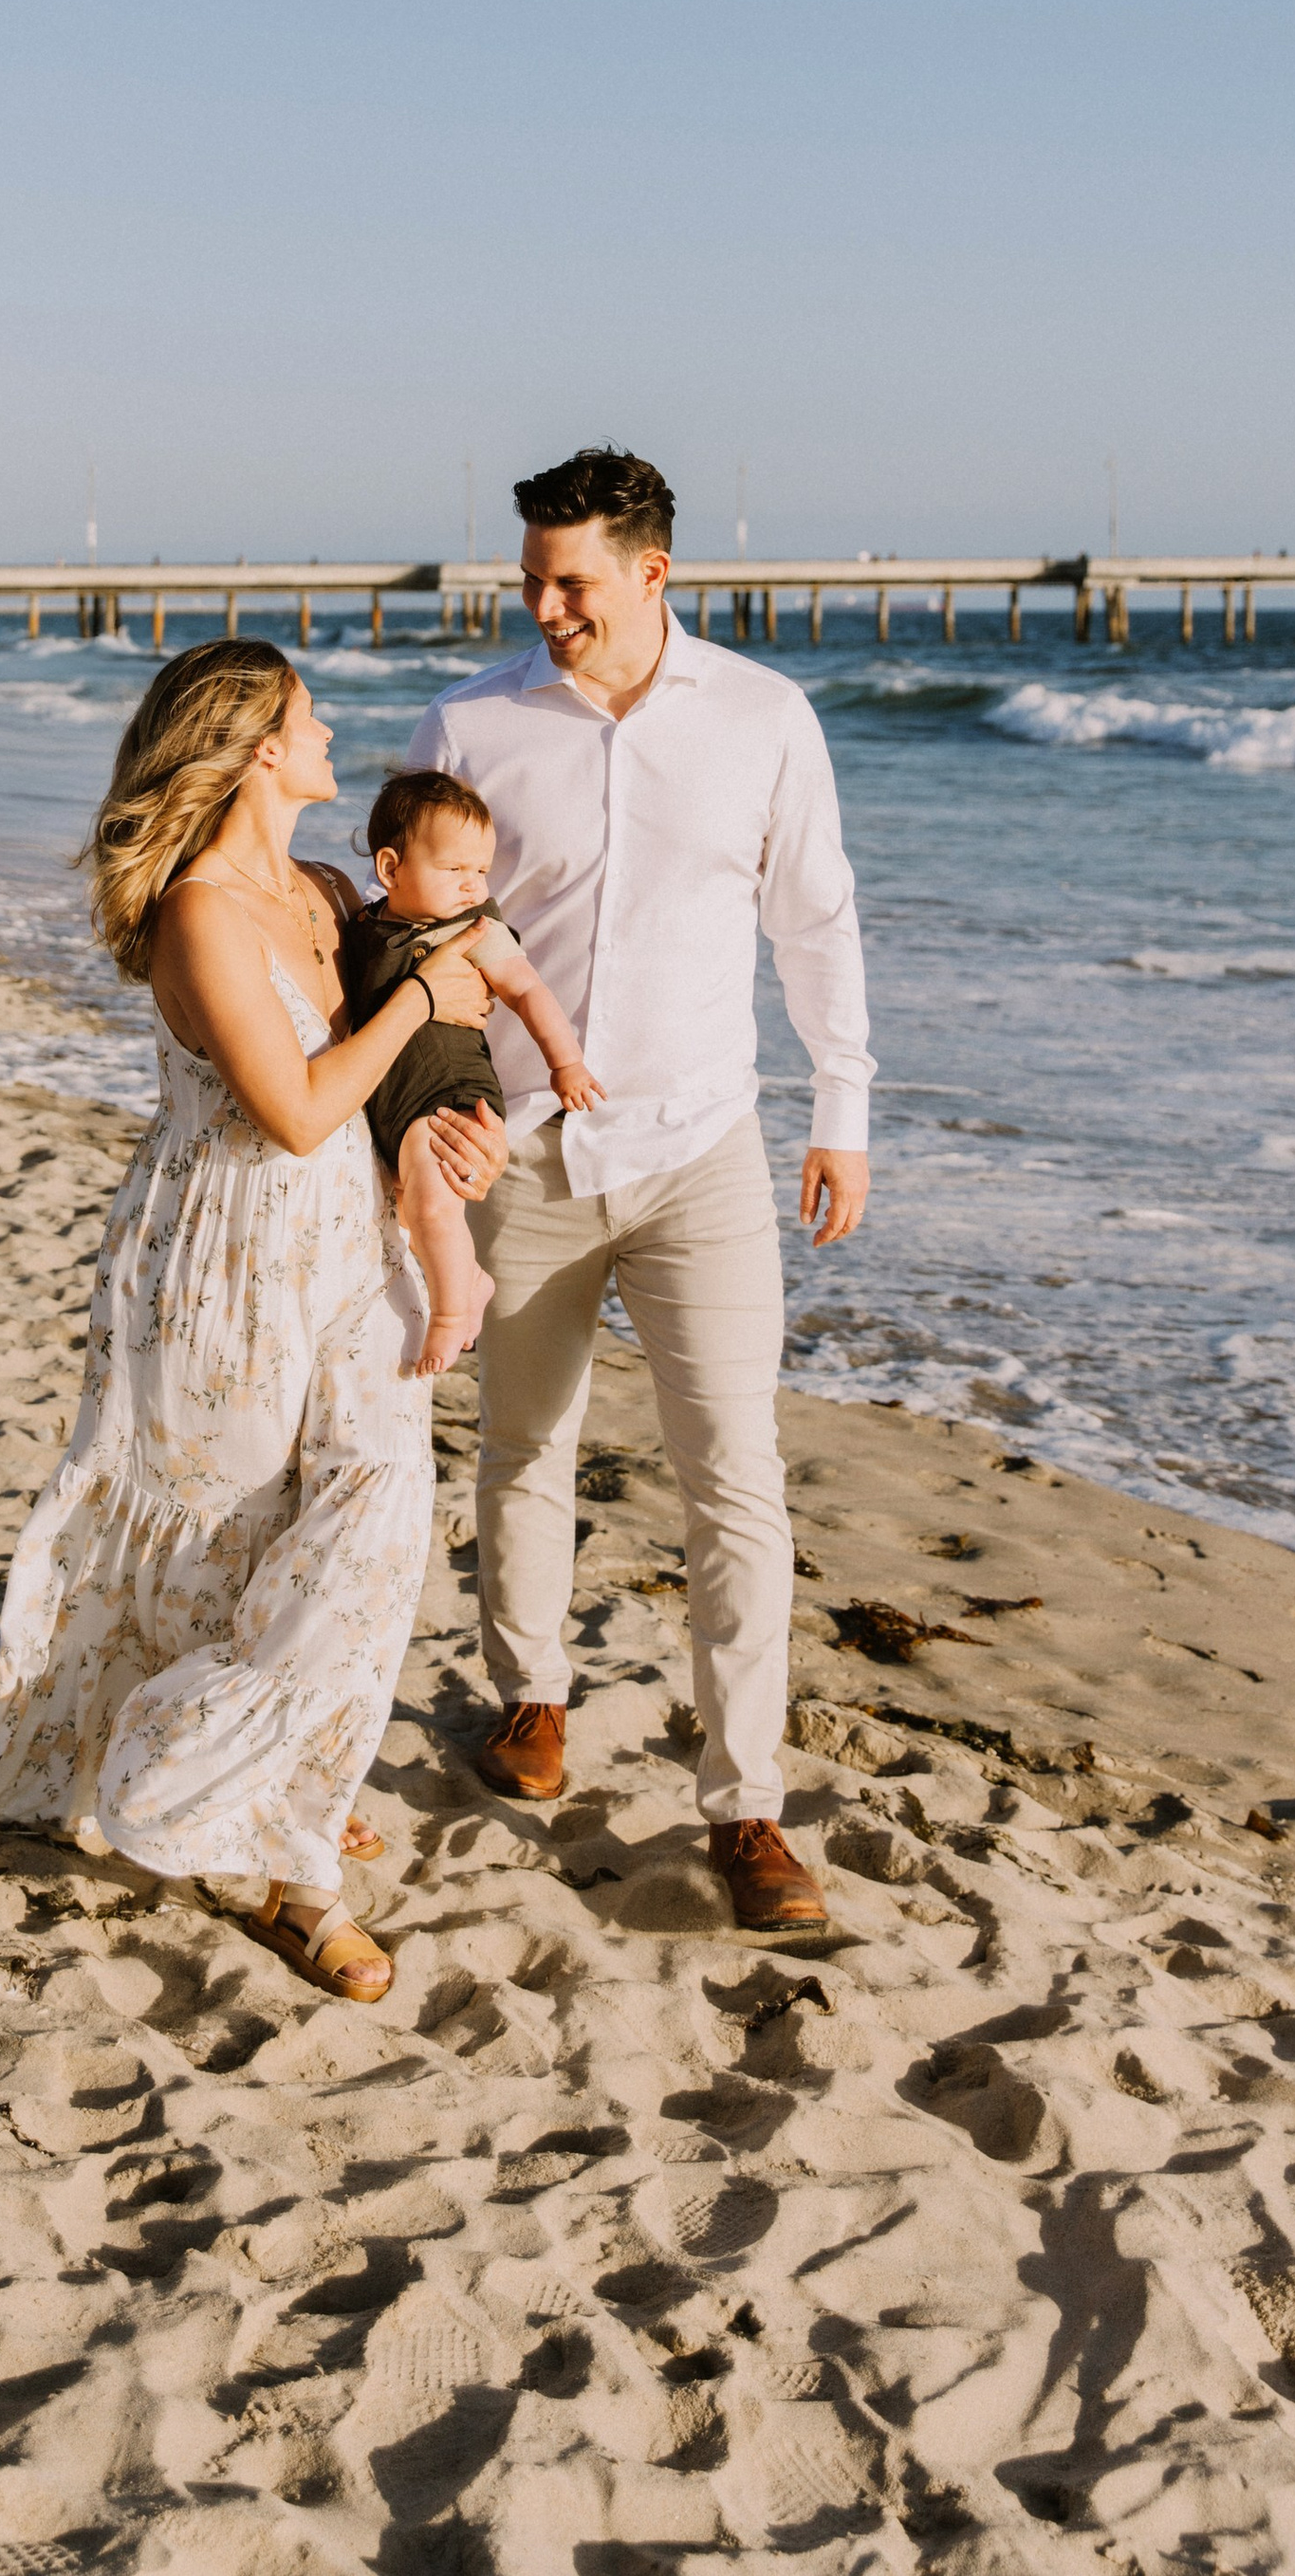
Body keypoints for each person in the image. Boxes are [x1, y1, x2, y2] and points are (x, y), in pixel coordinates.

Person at [0, 637, 506, 2004]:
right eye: (309, 714)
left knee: (374, 1522)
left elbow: (387, 1087)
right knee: (230, 1550)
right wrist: (420, 991)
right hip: (226, 1266)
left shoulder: (325, 888)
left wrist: (454, 1146)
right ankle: (253, 1795)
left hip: (354, 1250)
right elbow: (294, 1107)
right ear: (253, 749)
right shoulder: (200, 913)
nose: (334, 727)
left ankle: (295, 1855)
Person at [406, 446, 873, 1942]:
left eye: (574, 580)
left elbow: (816, 916)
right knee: (523, 1446)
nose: (546, 605)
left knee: (734, 1472)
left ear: (655, 572)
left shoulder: (763, 721)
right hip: (521, 1151)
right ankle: (533, 1700)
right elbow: (424, 947)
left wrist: (842, 1107)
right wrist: (428, 1123)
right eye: (532, 579)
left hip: (701, 1155)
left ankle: (747, 1806)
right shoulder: (473, 723)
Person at [339, 767, 601, 1375]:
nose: (472, 884)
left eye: (480, 870)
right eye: (454, 870)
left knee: (433, 1206)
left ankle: (456, 1311)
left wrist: (566, 1063)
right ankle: (464, 1279)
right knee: (405, 1209)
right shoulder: (364, 926)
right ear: (389, 869)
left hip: (449, 1090)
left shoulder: (474, 929)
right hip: (386, 1097)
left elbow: (530, 993)